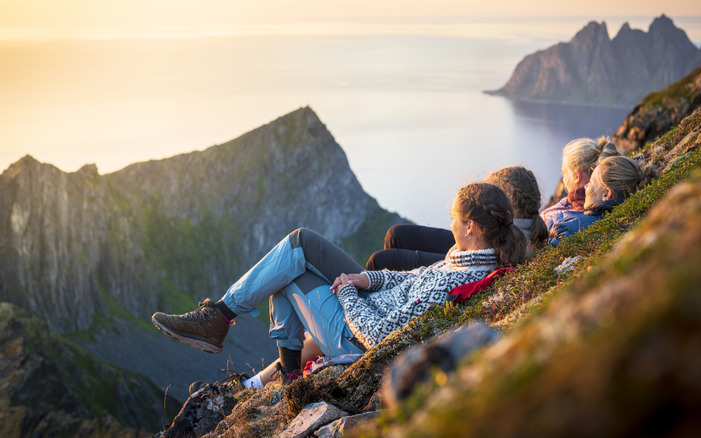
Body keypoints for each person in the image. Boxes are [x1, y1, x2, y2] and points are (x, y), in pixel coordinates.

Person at [151, 182, 527, 386]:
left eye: (453, 218)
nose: (449, 225)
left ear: (471, 228)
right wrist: (366, 278)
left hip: (358, 337)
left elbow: (380, 336)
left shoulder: (457, 276)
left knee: (289, 267)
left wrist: (348, 291)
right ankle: (227, 322)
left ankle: (227, 324)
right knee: (297, 247)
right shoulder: (468, 261)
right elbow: (409, 278)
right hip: (369, 305)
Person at [367, 166, 547, 271]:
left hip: (468, 255)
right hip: (473, 244)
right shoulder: (529, 226)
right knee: (396, 234)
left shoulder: (510, 238)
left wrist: (436, 269)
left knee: (381, 260)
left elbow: (470, 262)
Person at [547, 155, 651, 246]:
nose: (586, 186)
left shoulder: (572, 228)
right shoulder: (614, 220)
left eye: (591, 182)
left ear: (606, 194)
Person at [540, 137, 620, 224]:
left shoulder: (557, 219)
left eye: (564, 173)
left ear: (576, 176)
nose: (563, 179)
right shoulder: (611, 201)